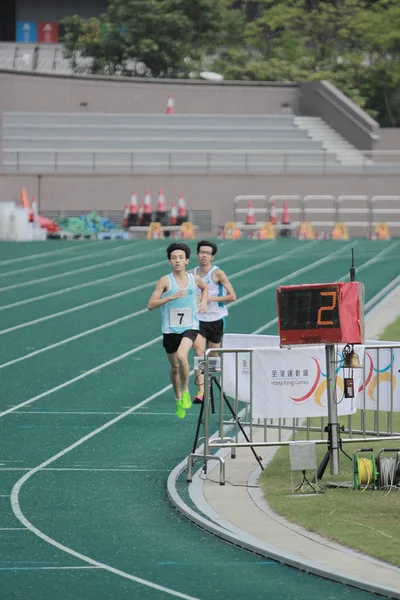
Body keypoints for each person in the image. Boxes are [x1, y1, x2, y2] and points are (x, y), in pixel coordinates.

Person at [147, 242, 208, 419]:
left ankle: (187, 391)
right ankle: (178, 397)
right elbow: (150, 305)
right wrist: (170, 297)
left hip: (190, 327)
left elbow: (204, 288)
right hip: (170, 330)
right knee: (174, 367)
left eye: (181, 258)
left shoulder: (194, 279)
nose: (177, 261)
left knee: (182, 356)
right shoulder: (165, 281)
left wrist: (203, 301)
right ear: (169, 261)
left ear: (187, 260)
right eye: (174, 258)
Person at [192, 240, 237, 403]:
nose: (204, 256)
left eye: (207, 253)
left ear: (212, 256)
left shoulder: (218, 273)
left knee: (212, 357)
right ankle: (201, 391)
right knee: (198, 351)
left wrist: (207, 298)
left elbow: (232, 296)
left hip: (216, 318)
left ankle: (209, 384)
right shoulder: (193, 274)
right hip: (198, 319)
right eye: (201, 252)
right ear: (197, 254)